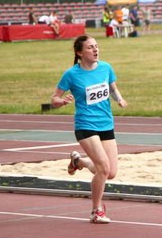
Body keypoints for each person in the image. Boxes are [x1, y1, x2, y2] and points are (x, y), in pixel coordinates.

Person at [50, 35, 128, 224]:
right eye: (90, 47)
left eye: (96, 46)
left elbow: (112, 88)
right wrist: (61, 102)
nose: (95, 50)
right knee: (103, 168)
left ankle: (79, 162)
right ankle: (96, 210)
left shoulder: (106, 67)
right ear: (79, 52)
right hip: (85, 125)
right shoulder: (71, 74)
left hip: (106, 124)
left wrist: (119, 99)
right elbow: (54, 99)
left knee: (110, 172)